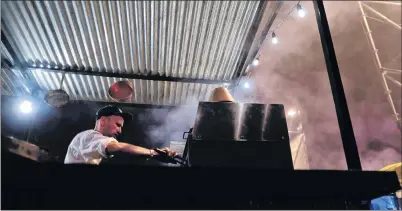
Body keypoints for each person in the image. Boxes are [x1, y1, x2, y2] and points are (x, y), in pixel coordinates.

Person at [64, 105, 178, 165]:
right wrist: (152, 153)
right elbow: (117, 147)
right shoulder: (89, 136)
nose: (120, 131)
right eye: (118, 124)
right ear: (103, 121)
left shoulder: (88, 142)